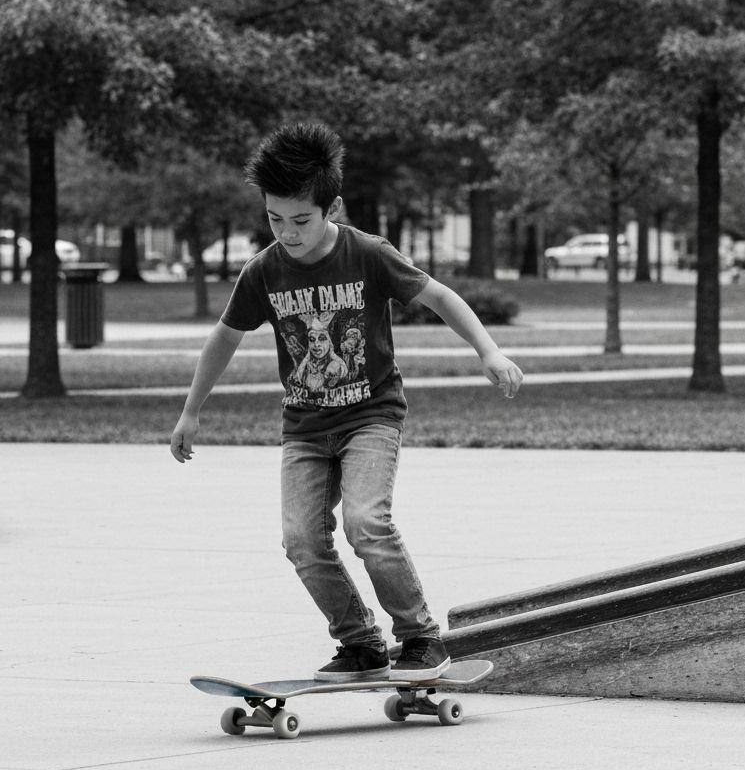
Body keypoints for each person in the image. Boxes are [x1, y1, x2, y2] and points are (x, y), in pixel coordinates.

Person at [170, 122, 524, 683]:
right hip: (305, 428)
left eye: (301, 220)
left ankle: (419, 636)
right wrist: (192, 410)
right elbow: (225, 337)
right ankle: (359, 641)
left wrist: (489, 351)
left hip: (371, 418)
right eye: (274, 218)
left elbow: (437, 295)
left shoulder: (367, 254)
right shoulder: (263, 272)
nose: (287, 232)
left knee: (366, 523)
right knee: (301, 541)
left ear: (331, 206)